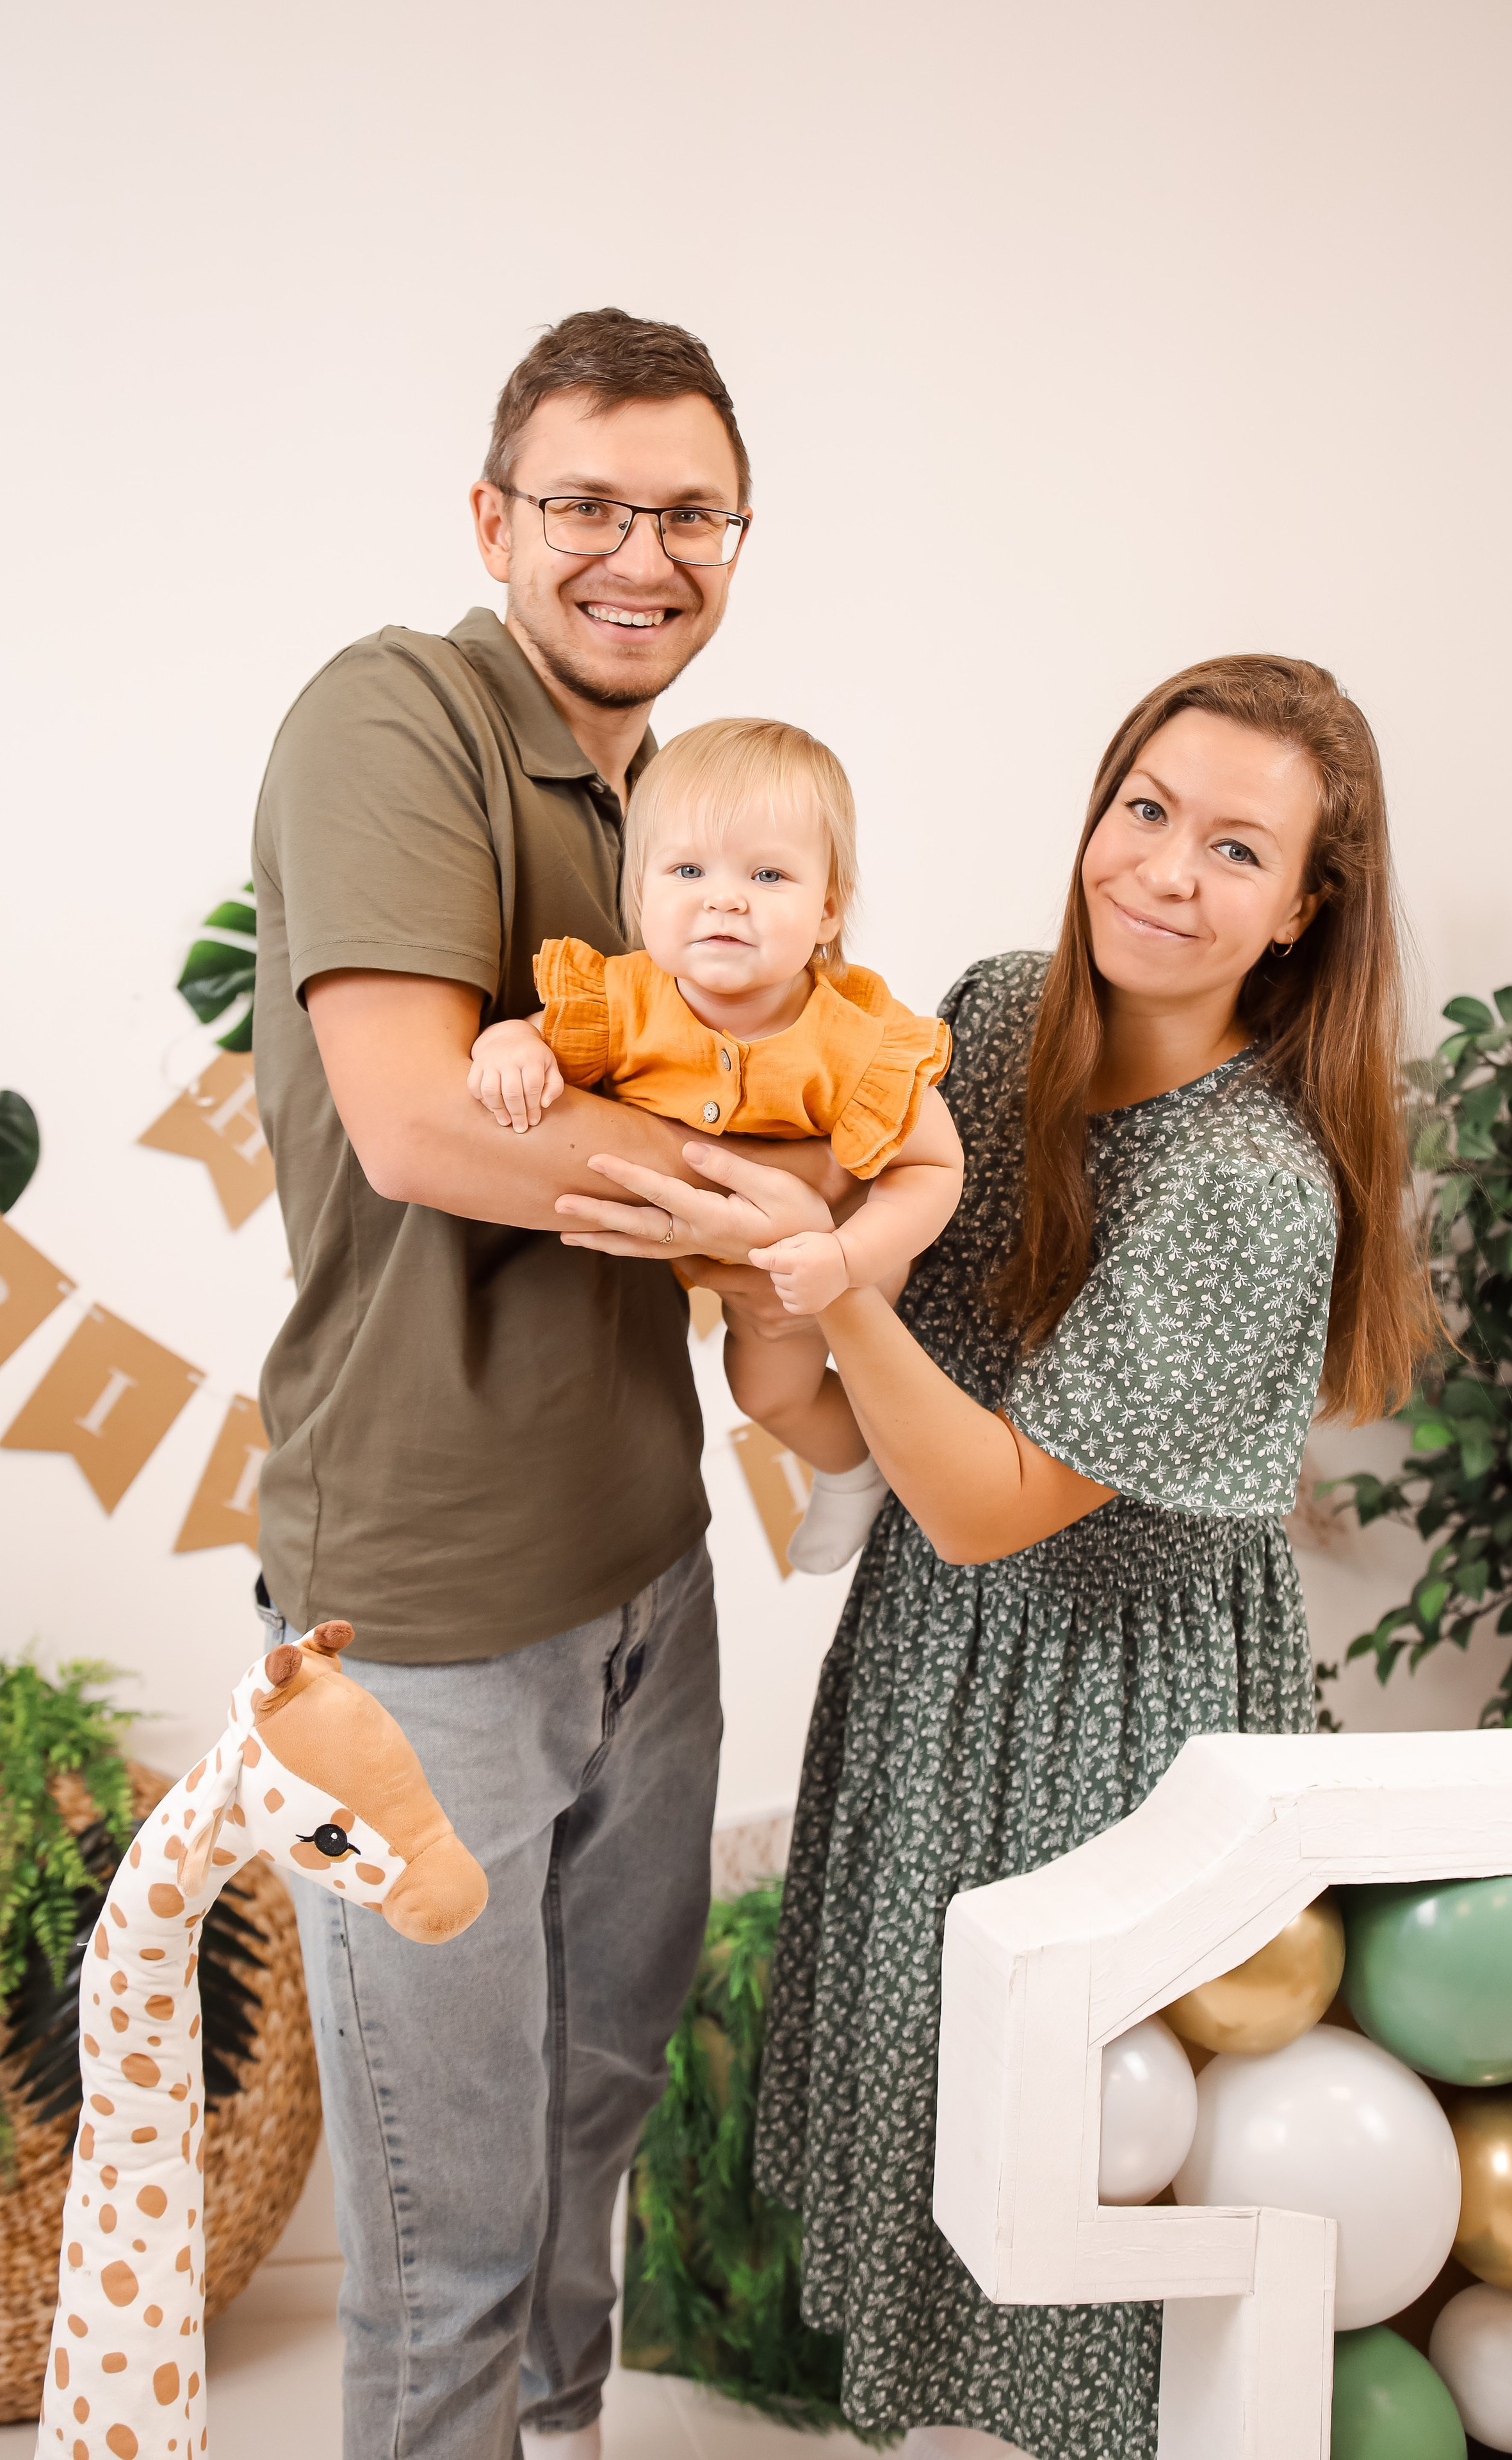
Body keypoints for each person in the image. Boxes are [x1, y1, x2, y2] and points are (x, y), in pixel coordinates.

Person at [553, 654, 1440, 2459]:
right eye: (1146, 809)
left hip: (1115, 1716)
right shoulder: (992, 1012)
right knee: (936, 2132)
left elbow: (986, 1496)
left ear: (1300, 909)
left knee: (1094, 2157)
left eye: (1234, 849)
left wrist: (829, 1273)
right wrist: (776, 1301)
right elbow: (842, 1428)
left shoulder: (1255, 1183)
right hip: (934, 1664)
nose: (1168, 871)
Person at [250, 308, 841, 2460]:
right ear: (494, 517)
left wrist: (806, 1201)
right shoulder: (391, 716)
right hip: (413, 1617)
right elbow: (420, 1130)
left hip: (643, 1573)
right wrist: (760, 1195)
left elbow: (804, 1097)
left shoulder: (680, 801)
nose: (642, 550)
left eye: (694, 511)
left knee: (590, 2129)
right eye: (589, 500)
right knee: (453, 2223)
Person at [464, 714, 964, 1572]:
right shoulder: (623, 1002)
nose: (724, 897)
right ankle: (854, 1469)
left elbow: (932, 1167)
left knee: (864, 1357)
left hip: (857, 1257)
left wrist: (846, 1261)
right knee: (764, 1389)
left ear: (827, 909)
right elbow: (537, 1038)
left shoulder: (847, 1038)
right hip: (736, 1273)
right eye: (688, 870)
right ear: (641, 895)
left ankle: (929, 1465)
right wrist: (507, 1044)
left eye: (768, 874)